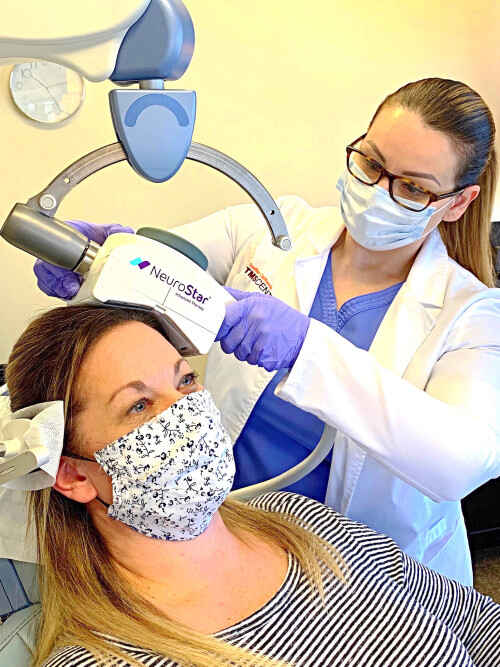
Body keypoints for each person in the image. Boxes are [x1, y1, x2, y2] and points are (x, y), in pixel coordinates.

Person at [33, 78, 500, 586]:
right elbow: (163, 267)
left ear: (458, 202)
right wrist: (108, 258)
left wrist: (306, 350)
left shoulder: (473, 312)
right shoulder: (269, 228)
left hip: (374, 569)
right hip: (236, 531)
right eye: (370, 163)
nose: (377, 193)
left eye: (412, 188)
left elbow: (462, 461)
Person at [3, 304, 500, 667]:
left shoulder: (301, 520)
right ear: (72, 474)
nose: (186, 413)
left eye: (185, 381)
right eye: (138, 405)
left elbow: (474, 621)